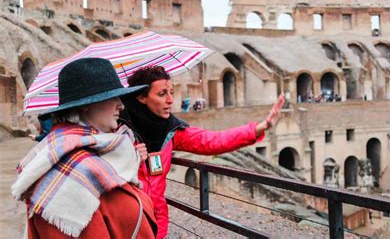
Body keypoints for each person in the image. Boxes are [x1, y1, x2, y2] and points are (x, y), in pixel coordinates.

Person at [121, 66, 285, 239]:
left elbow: (213, 141)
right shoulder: (117, 130)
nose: (170, 100)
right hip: (127, 222)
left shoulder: (172, 131)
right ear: (141, 97)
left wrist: (259, 128)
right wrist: (127, 157)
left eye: (171, 92)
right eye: (162, 94)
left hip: (157, 222)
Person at [11, 58, 157, 238]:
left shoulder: (101, 150)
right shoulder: (67, 169)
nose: (121, 105)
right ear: (87, 104)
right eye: (113, 97)